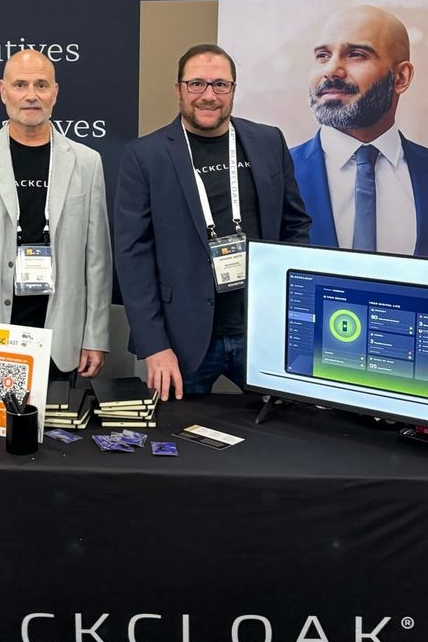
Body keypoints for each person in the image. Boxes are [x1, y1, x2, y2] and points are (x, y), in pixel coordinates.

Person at [115, 44, 311, 401]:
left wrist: (293, 317)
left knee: (281, 429)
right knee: (180, 433)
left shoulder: (269, 142)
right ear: (179, 89)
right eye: (196, 84)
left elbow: (295, 227)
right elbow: (132, 259)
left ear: (233, 89)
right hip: (182, 341)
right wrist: (155, 346)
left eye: (220, 84)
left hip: (261, 332)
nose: (209, 95)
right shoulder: (145, 156)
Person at [0, 49, 111, 388]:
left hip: (61, 338)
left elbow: (98, 262)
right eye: (20, 85)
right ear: (3, 91)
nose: (31, 95)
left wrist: (96, 335)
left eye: (41, 85)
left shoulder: (86, 162)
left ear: (55, 93)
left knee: (57, 424)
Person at [290, 4, 428, 263]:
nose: (331, 70)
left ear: (401, 77)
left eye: (356, 54)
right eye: (323, 55)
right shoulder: (273, 177)